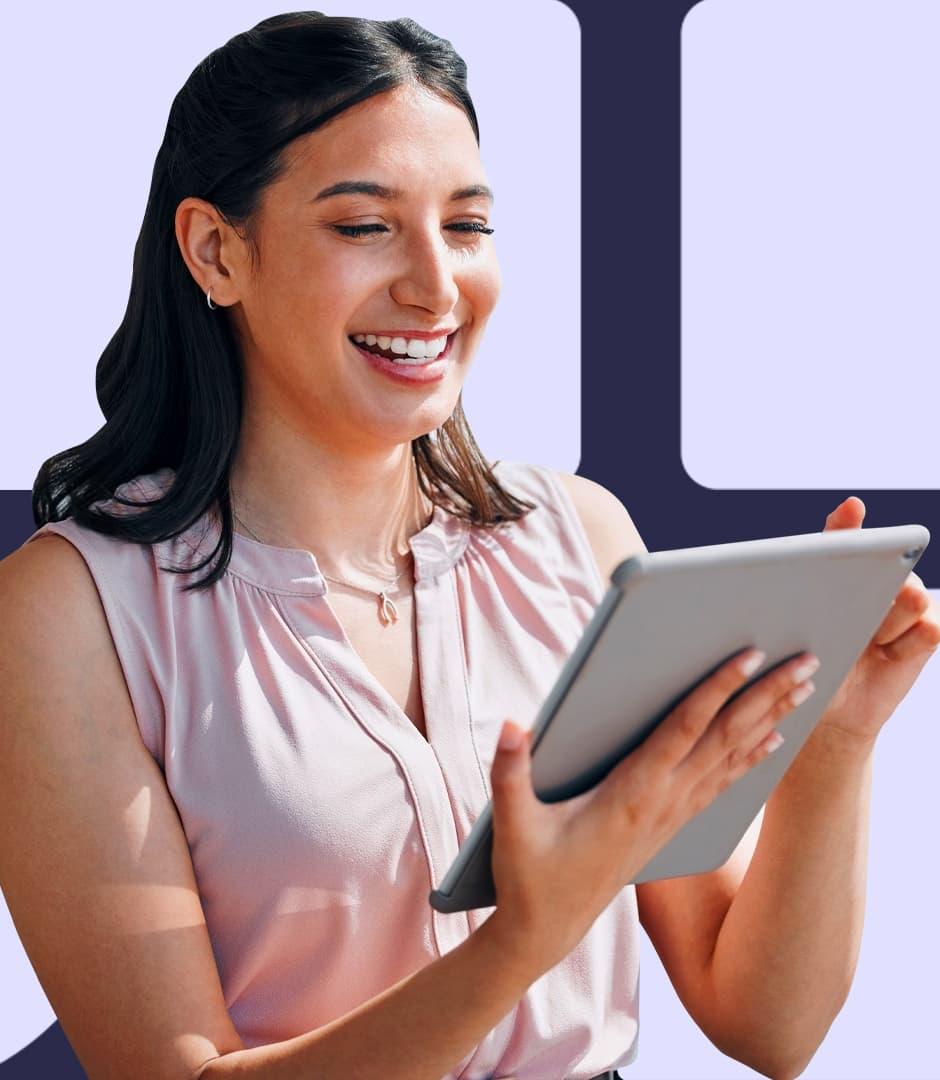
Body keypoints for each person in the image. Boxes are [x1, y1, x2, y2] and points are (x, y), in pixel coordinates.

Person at [4, 11, 922, 1080]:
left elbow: (766, 1023)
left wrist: (834, 746)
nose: (436, 287)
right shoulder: (68, 611)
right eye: (364, 227)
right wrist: (521, 941)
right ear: (217, 250)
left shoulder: (577, 540)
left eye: (468, 226)